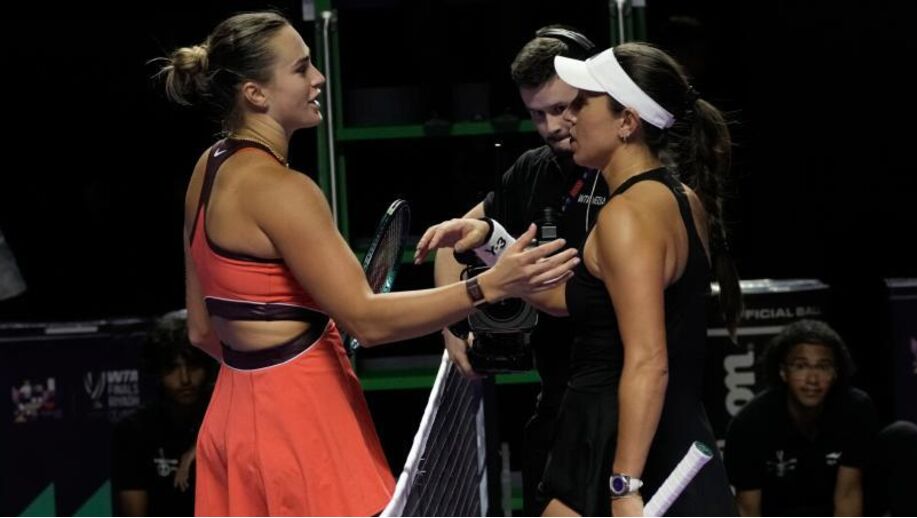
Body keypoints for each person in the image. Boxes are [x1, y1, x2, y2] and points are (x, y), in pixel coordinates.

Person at [157, 11, 579, 516]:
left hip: (230, 425)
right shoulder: (284, 191)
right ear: (255, 94)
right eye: (301, 68)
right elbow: (369, 323)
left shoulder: (208, 169)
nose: (318, 78)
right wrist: (489, 285)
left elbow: (203, 330)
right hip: (303, 426)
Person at [417, 41, 742, 516]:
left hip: (621, 440)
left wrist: (625, 484)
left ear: (627, 122)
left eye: (582, 103)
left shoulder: (627, 217)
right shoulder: (678, 198)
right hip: (631, 431)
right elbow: (567, 297)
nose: (567, 119)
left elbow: (649, 360)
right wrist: (489, 239)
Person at [431, 25, 609, 515]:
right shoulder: (533, 169)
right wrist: (453, 331)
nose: (552, 126)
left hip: (622, 402)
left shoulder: (632, 175)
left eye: (564, 108)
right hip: (555, 404)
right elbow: (453, 242)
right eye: (538, 113)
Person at [724, 319, 878, 516]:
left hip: (829, 510)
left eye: (823, 367)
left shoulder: (855, 410)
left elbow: (848, 494)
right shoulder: (749, 425)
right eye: (801, 366)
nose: (812, 379)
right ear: (783, 372)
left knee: (902, 436)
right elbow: (748, 508)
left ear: (835, 373)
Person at [112, 311, 214, 516]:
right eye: (172, 368)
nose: (185, 379)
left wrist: (205, 444)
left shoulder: (230, 426)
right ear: (158, 370)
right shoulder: (134, 431)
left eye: (193, 366)